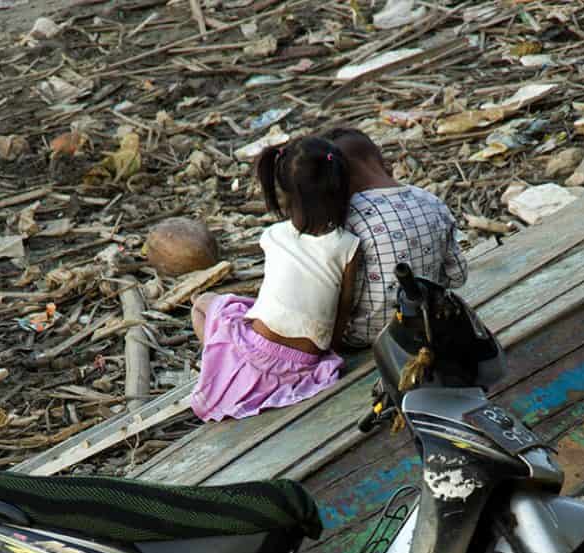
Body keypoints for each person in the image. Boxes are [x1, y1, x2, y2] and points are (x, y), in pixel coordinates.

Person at [189, 136, 360, 422]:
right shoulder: (349, 246)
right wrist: (332, 349)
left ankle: (225, 366)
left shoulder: (273, 235)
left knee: (203, 302)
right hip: (307, 361)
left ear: (285, 195)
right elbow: (343, 308)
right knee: (244, 309)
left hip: (258, 349)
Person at [324, 127, 468, 348]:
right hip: (430, 324)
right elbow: (458, 277)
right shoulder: (431, 201)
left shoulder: (349, 218)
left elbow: (344, 299)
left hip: (365, 337)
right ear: (379, 157)